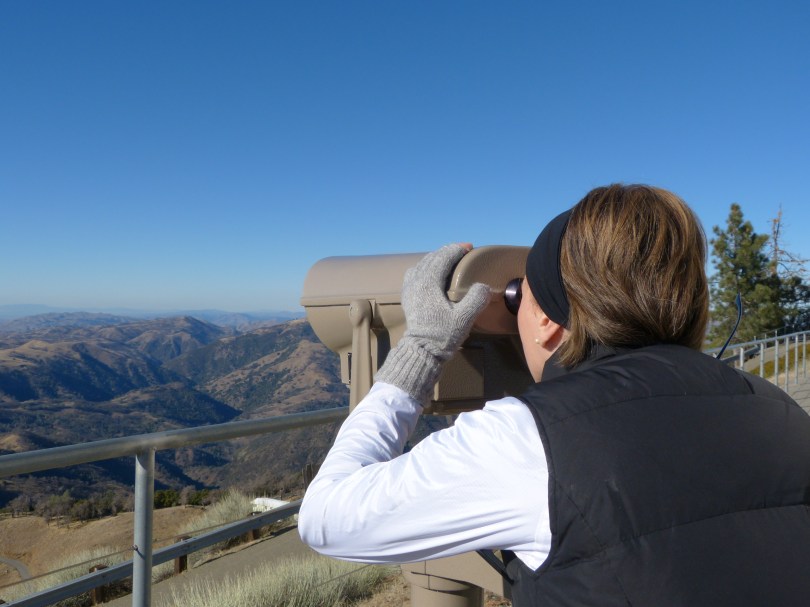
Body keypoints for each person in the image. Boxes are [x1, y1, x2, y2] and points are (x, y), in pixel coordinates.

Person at [298, 184, 810, 606]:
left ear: (545, 319)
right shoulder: (778, 408)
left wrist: (422, 351)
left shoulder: (526, 442)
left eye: (521, 293)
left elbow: (325, 519)